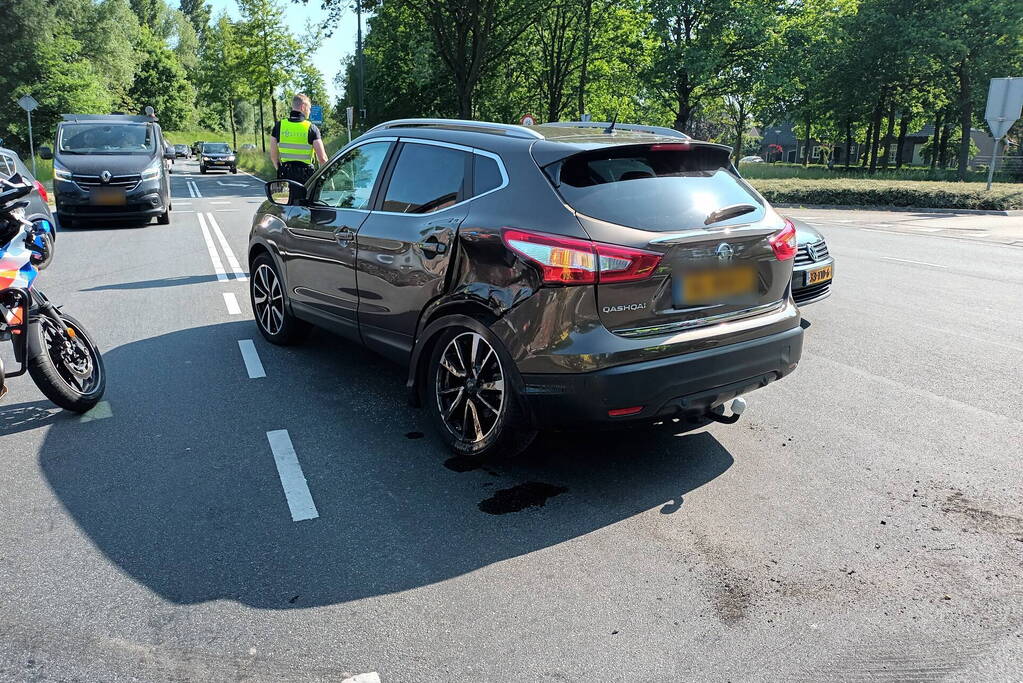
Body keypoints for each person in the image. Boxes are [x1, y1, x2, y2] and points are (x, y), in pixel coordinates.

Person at [270, 93, 328, 183]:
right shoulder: (311, 128)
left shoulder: (279, 126)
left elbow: (273, 157)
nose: (310, 111)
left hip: (287, 177)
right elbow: (322, 159)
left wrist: (280, 171)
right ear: (303, 107)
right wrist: (327, 179)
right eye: (309, 108)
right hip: (306, 178)